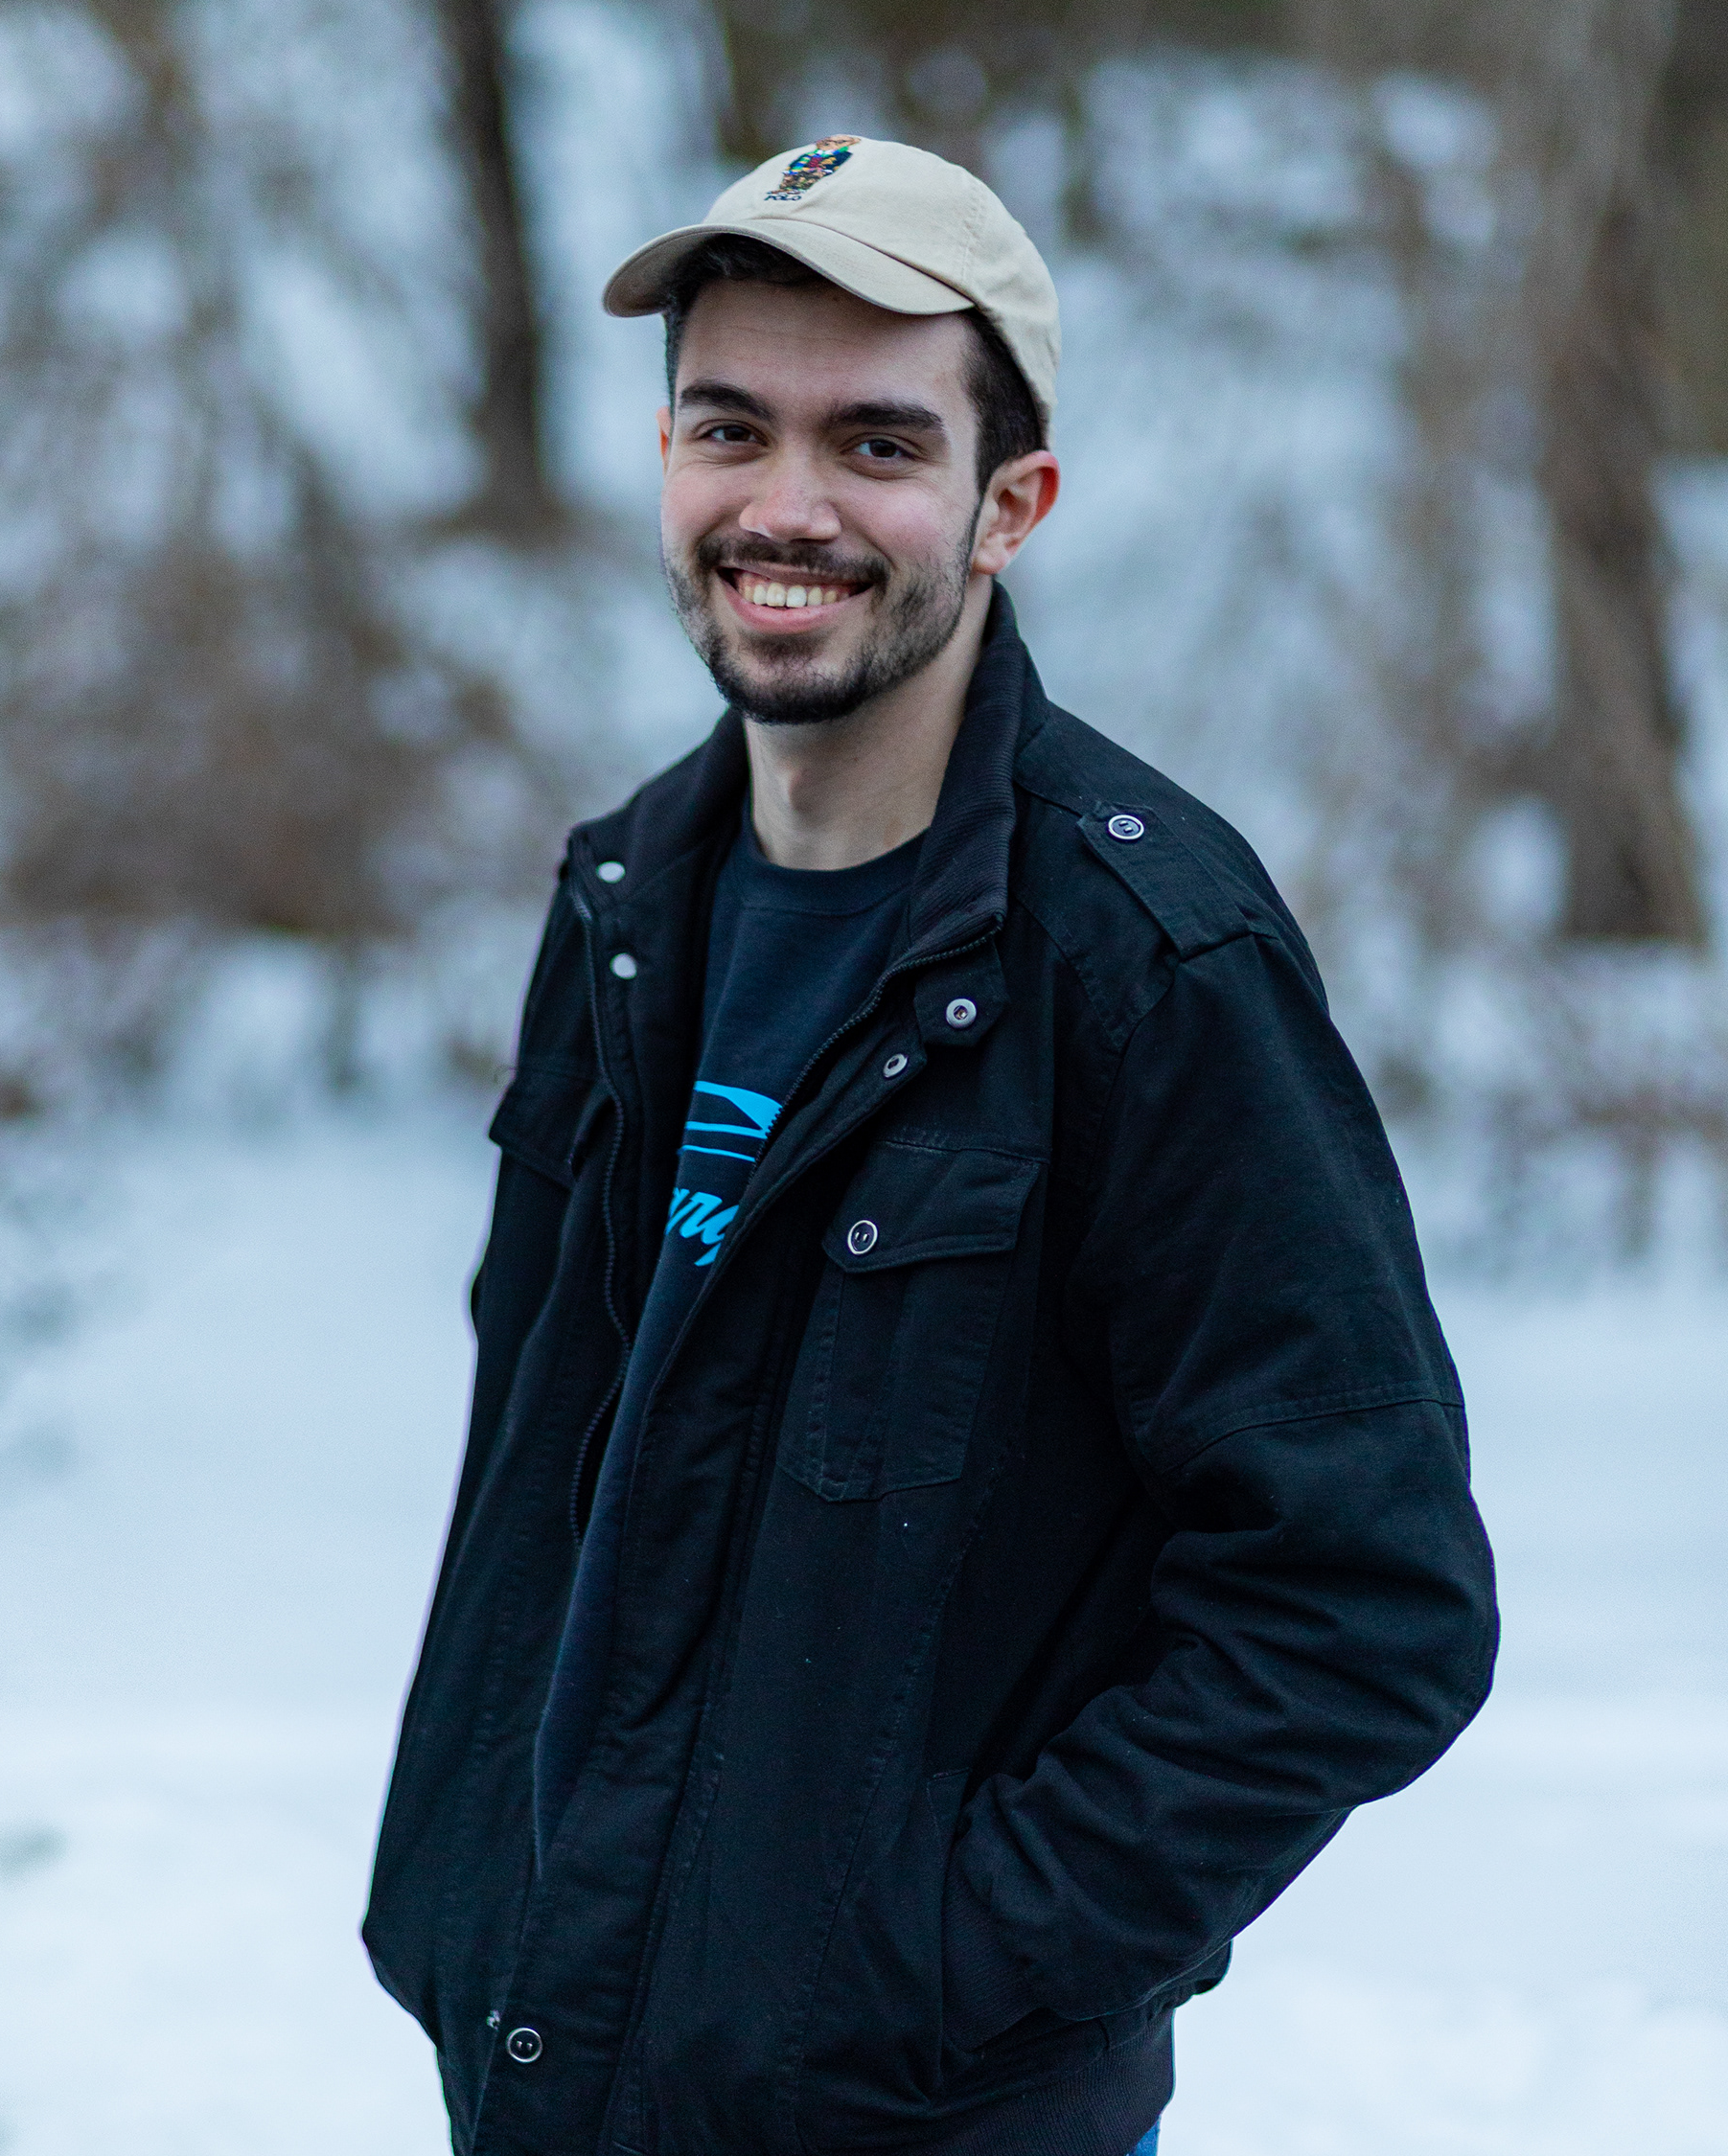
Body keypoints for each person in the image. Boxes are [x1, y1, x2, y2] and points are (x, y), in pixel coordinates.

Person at [364, 136, 1498, 2156]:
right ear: (666, 460)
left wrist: (935, 1970)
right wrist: (463, 1894)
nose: (786, 507)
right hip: (557, 2075)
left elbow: (1363, 1602)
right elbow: (545, 1467)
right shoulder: (625, 906)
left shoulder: (1146, 961)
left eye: (877, 443)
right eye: (732, 427)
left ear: (1009, 505)